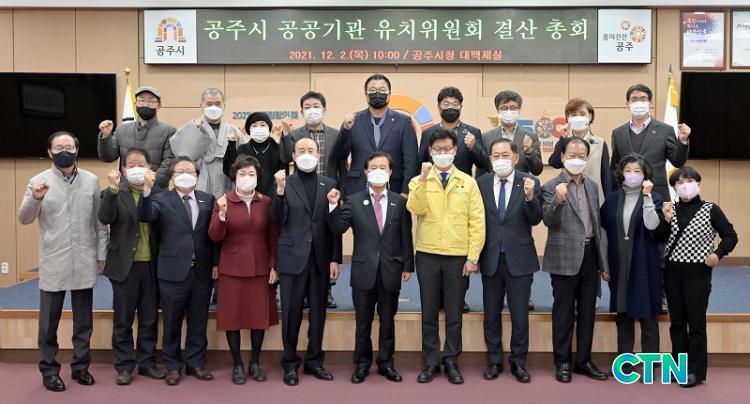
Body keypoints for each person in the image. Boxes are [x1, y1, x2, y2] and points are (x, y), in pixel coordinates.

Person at [18, 131, 108, 392]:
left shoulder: (91, 180)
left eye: (68, 146)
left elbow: (100, 222)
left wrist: (102, 253)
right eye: (58, 147)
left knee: (84, 322)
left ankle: (81, 367)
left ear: (77, 150)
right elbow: (24, 218)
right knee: (48, 322)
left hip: (84, 257)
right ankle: (49, 370)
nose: (64, 151)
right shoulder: (38, 181)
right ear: (49, 152)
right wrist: (35, 197)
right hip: (54, 258)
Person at [327, 152, 414, 384]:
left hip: (390, 269)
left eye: (383, 167)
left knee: (388, 321)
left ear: (390, 172)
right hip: (363, 271)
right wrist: (333, 205)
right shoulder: (353, 200)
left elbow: (405, 236)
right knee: (363, 322)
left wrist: (408, 265)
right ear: (365, 172)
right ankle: (362, 364)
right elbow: (338, 228)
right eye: (373, 167)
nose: (378, 171)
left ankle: (386, 363)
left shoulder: (400, 202)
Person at [407, 128, 485, 385]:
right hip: (427, 254)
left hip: (457, 255)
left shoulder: (468, 182)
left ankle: (451, 359)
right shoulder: (419, 180)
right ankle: (430, 361)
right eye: (437, 149)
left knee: (454, 313)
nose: (442, 153)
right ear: (430, 152)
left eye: (447, 149)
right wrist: (422, 180)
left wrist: (473, 257)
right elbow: (415, 208)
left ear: (455, 150)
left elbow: (477, 222)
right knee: (428, 312)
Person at [138, 156, 218, 386]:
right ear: (172, 177)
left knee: (198, 321)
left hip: (201, 272)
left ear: (197, 176)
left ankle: (195, 363)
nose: (185, 174)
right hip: (172, 272)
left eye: (190, 171)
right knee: (172, 322)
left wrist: (215, 263)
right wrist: (146, 192)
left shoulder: (207, 199)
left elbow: (213, 236)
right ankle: (173, 366)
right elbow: (145, 216)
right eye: (180, 171)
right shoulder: (160, 199)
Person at [271, 138, 342, 386]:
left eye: (311, 150)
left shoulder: (329, 184)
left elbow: (334, 226)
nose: (306, 153)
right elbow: (277, 219)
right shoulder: (283, 182)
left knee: (318, 314)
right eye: (301, 150)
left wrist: (335, 259)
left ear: (319, 155)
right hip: (292, 258)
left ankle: (314, 362)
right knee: (291, 313)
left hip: (320, 259)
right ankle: (290, 363)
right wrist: (279, 192)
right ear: (293, 155)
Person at [662, 166, 737, 388]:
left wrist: (718, 253)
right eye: (680, 182)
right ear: (674, 187)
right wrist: (665, 221)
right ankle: (678, 367)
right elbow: (659, 238)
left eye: (689, 180)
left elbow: (730, 236)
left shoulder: (711, 209)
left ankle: (695, 371)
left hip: (698, 275)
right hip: (672, 274)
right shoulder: (670, 209)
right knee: (677, 323)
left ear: (698, 184)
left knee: (695, 324)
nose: (685, 185)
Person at [541, 137, 608, 383]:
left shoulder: (592, 186)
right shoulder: (551, 186)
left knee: (588, 312)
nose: (577, 160)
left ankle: (583, 361)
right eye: (572, 155)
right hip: (563, 257)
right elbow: (548, 220)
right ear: (562, 157)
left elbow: (596, 225)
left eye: (582, 156)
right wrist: (558, 201)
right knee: (563, 313)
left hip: (590, 255)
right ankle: (562, 362)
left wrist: (602, 261)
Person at [209, 155, 279, 384]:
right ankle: (237, 364)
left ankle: (255, 362)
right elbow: (214, 236)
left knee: (259, 318)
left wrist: (274, 265)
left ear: (258, 177)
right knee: (233, 318)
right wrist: (221, 215)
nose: (246, 177)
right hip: (232, 268)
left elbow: (273, 237)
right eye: (242, 174)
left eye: (251, 174)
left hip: (260, 268)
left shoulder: (266, 202)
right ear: (234, 177)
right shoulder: (223, 201)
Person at [98, 148, 165, 385]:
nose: (136, 169)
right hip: (123, 266)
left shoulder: (159, 193)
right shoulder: (114, 192)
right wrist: (112, 189)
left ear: (150, 168)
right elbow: (104, 218)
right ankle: (124, 365)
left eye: (141, 165)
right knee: (123, 319)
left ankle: (147, 363)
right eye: (131, 165)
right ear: (124, 169)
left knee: (149, 318)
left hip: (151, 266)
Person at [477, 138, 542, 383]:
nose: (500, 159)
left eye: (505, 155)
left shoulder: (529, 181)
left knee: (520, 316)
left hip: (520, 258)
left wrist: (530, 197)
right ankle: (494, 361)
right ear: (490, 159)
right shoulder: (481, 183)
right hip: (491, 258)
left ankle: (518, 362)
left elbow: (536, 219)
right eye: (496, 156)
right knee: (491, 314)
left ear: (515, 158)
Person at [600, 154, 669, 366]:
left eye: (637, 171)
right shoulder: (612, 199)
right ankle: (625, 363)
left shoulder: (655, 198)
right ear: (621, 173)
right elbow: (603, 232)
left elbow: (652, 225)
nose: (632, 175)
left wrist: (647, 197)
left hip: (644, 262)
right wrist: (604, 263)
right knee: (623, 313)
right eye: (628, 170)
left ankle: (651, 363)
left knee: (648, 314)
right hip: (618, 261)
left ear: (645, 175)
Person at [279, 91, 346, 309]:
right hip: (301, 192)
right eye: (307, 107)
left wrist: (341, 196)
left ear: (324, 109)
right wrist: (285, 135)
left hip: (328, 193)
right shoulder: (294, 134)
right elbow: (284, 158)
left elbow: (342, 167)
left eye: (315, 106)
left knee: (329, 240)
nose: (312, 110)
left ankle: (327, 290)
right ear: (301, 111)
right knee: (304, 241)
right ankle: (304, 292)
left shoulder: (336, 134)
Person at [335, 73, 418, 196]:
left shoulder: (404, 122)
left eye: (382, 90)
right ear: (366, 94)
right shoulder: (354, 120)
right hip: (358, 188)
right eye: (372, 90)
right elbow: (340, 155)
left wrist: (405, 191)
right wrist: (346, 130)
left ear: (389, 94)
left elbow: (411, 161)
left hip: (394, 189)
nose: (377, 93)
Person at [610, 84, 691, 200]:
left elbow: (677, 162)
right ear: (627, 103)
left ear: (650, 103)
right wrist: (613, 195)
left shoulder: (665, 130)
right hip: (626, 194)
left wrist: (682, 140)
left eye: (643, 99)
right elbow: (614, 168)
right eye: (634, 99)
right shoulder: (618, 133)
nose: (639, 103)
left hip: (657, 193)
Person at [171, 88, 245, 198]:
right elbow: (180, 154)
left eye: (218, 104)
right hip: (200, 181)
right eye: (209, 104)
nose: (213, 107)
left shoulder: (234, 131)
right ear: (201, 106)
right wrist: (194, 129)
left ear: (224, 106)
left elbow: (244, 160)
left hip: (226, 181)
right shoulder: (193, 127)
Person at [98, 86, 175, 188]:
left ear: (159, 106)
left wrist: (151, 181)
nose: (146, 104)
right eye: (141, 100)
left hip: (156, 191)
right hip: (126, 191)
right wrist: (106, 136)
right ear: (135, 103)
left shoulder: (168, 131)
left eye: (151, 101)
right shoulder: (121, 130)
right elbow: (108, 157)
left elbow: (168, 165)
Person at [548, 98, 611, 204]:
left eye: (582, 114)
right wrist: (563, 138)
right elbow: (554, 163)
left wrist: (608, 203)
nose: (578, 118)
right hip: (570, 197)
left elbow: (606, 176)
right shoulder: (565, 141)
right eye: (573, 115)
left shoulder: (600, 143)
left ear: (590, 116)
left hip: (595, 199)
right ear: (567, 118)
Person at [418, 86, 488, 175]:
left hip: (463, 182)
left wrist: (474, 147)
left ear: (460, 107)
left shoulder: (473, 132)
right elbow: (420, 165)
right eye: (446, 104)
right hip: (434, 182)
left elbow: (483, 164)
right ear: (439, 107)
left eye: (455, 104)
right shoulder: (428, 133)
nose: (451, 107)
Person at [480, 90, 543, 176]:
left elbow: (537, 171)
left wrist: (529, 152)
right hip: (494, 183)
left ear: (519, 110)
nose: (509, 111)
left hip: (521, 183)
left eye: (513, 108)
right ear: (498, 111)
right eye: (504, 108)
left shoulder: (530, 136)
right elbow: (481, 171)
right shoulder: (486, 138)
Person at [224, 112, 284, 197]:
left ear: (269, 128)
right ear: (249, 130)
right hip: (248, 196)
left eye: (262, 125)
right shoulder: (243, 149)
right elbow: (230, 171)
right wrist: (231, 146)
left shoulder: (278, 149)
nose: (258, 128)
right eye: (254, 126)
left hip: (275, 196)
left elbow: (283, 173)